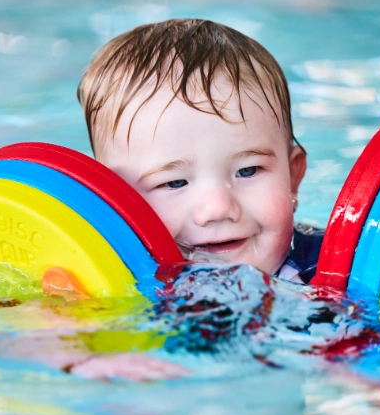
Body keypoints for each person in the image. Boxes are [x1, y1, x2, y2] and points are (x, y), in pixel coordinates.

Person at [43, 18, 324, 300]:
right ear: (112, 203)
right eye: (175, 182)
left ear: (293, 177)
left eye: (248, 170)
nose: (217, 209)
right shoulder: (97, 285)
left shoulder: (333, 271)